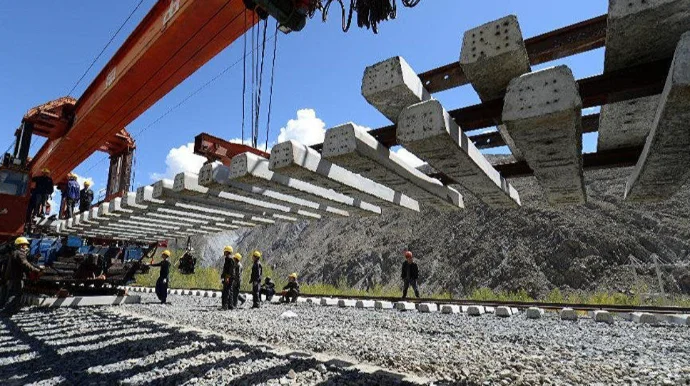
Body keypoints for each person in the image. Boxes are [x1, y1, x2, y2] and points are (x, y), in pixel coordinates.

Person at [0, 237, 43, 315]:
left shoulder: (15, 253)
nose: (27, 247)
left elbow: (24, 261)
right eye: (25, 245)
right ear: (21, 245)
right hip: (16, 278)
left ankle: (11, 310)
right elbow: (25, 264)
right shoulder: (19, 253)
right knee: (15, 294)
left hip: (13, 277)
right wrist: (36, 270)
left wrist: (34, 258)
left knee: (13, 293)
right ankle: (7, 311)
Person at [220, 246, 234, 310]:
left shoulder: (229, 259)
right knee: (229, 291)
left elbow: (229, 270)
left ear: (228, 252)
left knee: (226, 291)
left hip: (228, 277)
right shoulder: (229, 258)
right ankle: (230, 305)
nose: (224, 252)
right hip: (229, 277)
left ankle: (225, 306)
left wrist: (227, 277)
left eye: (225, 251)